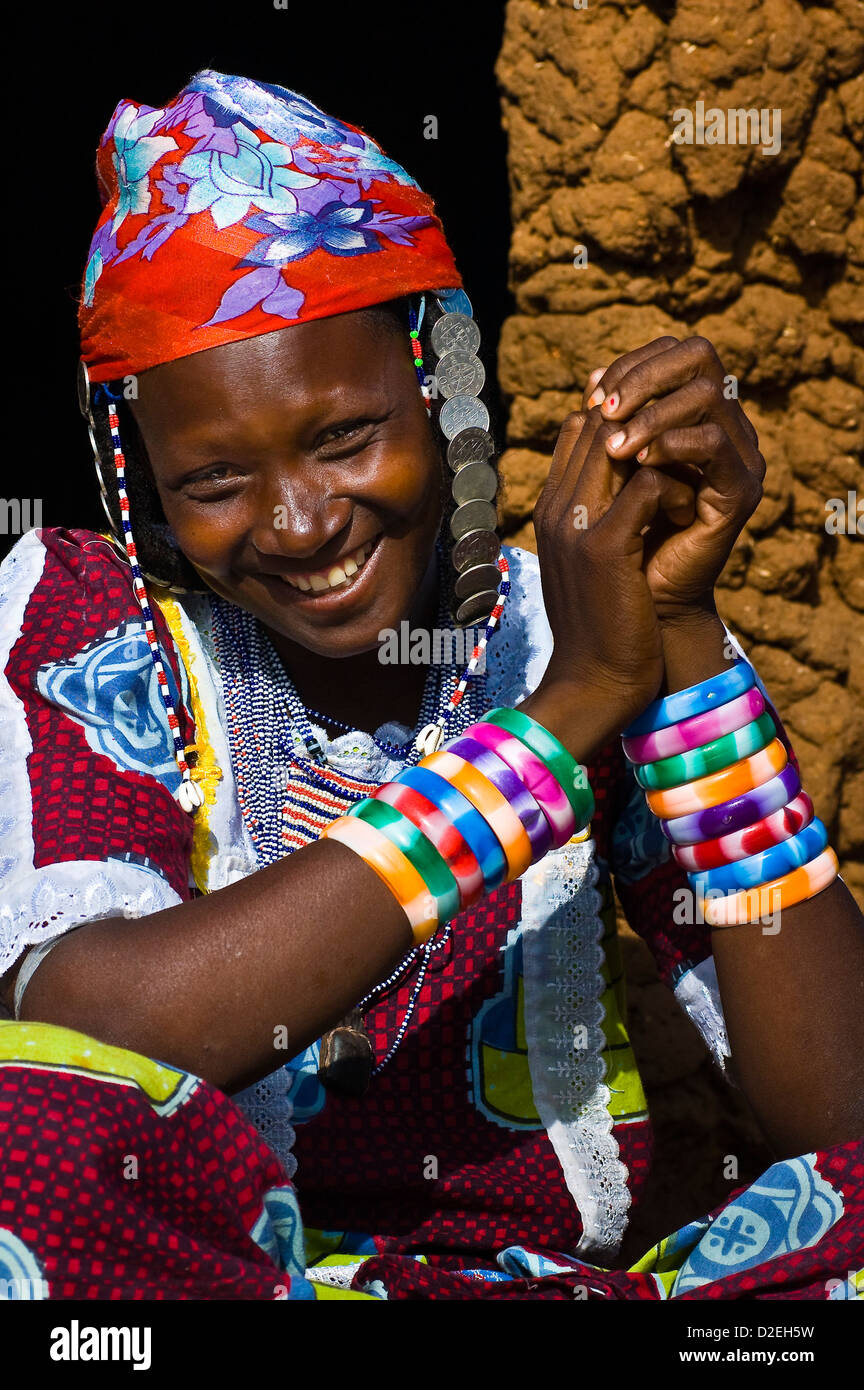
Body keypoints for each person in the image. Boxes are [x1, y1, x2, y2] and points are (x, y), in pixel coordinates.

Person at [0, 70, 861, 1302]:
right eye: (214, 482)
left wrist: (675, 643)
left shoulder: (581, 622)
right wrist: (555, 731)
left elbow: (842, 1117)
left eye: (347, 437)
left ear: (438, 384)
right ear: (141, 479)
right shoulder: (96, 615)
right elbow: (98, 1033)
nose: (298, 525)